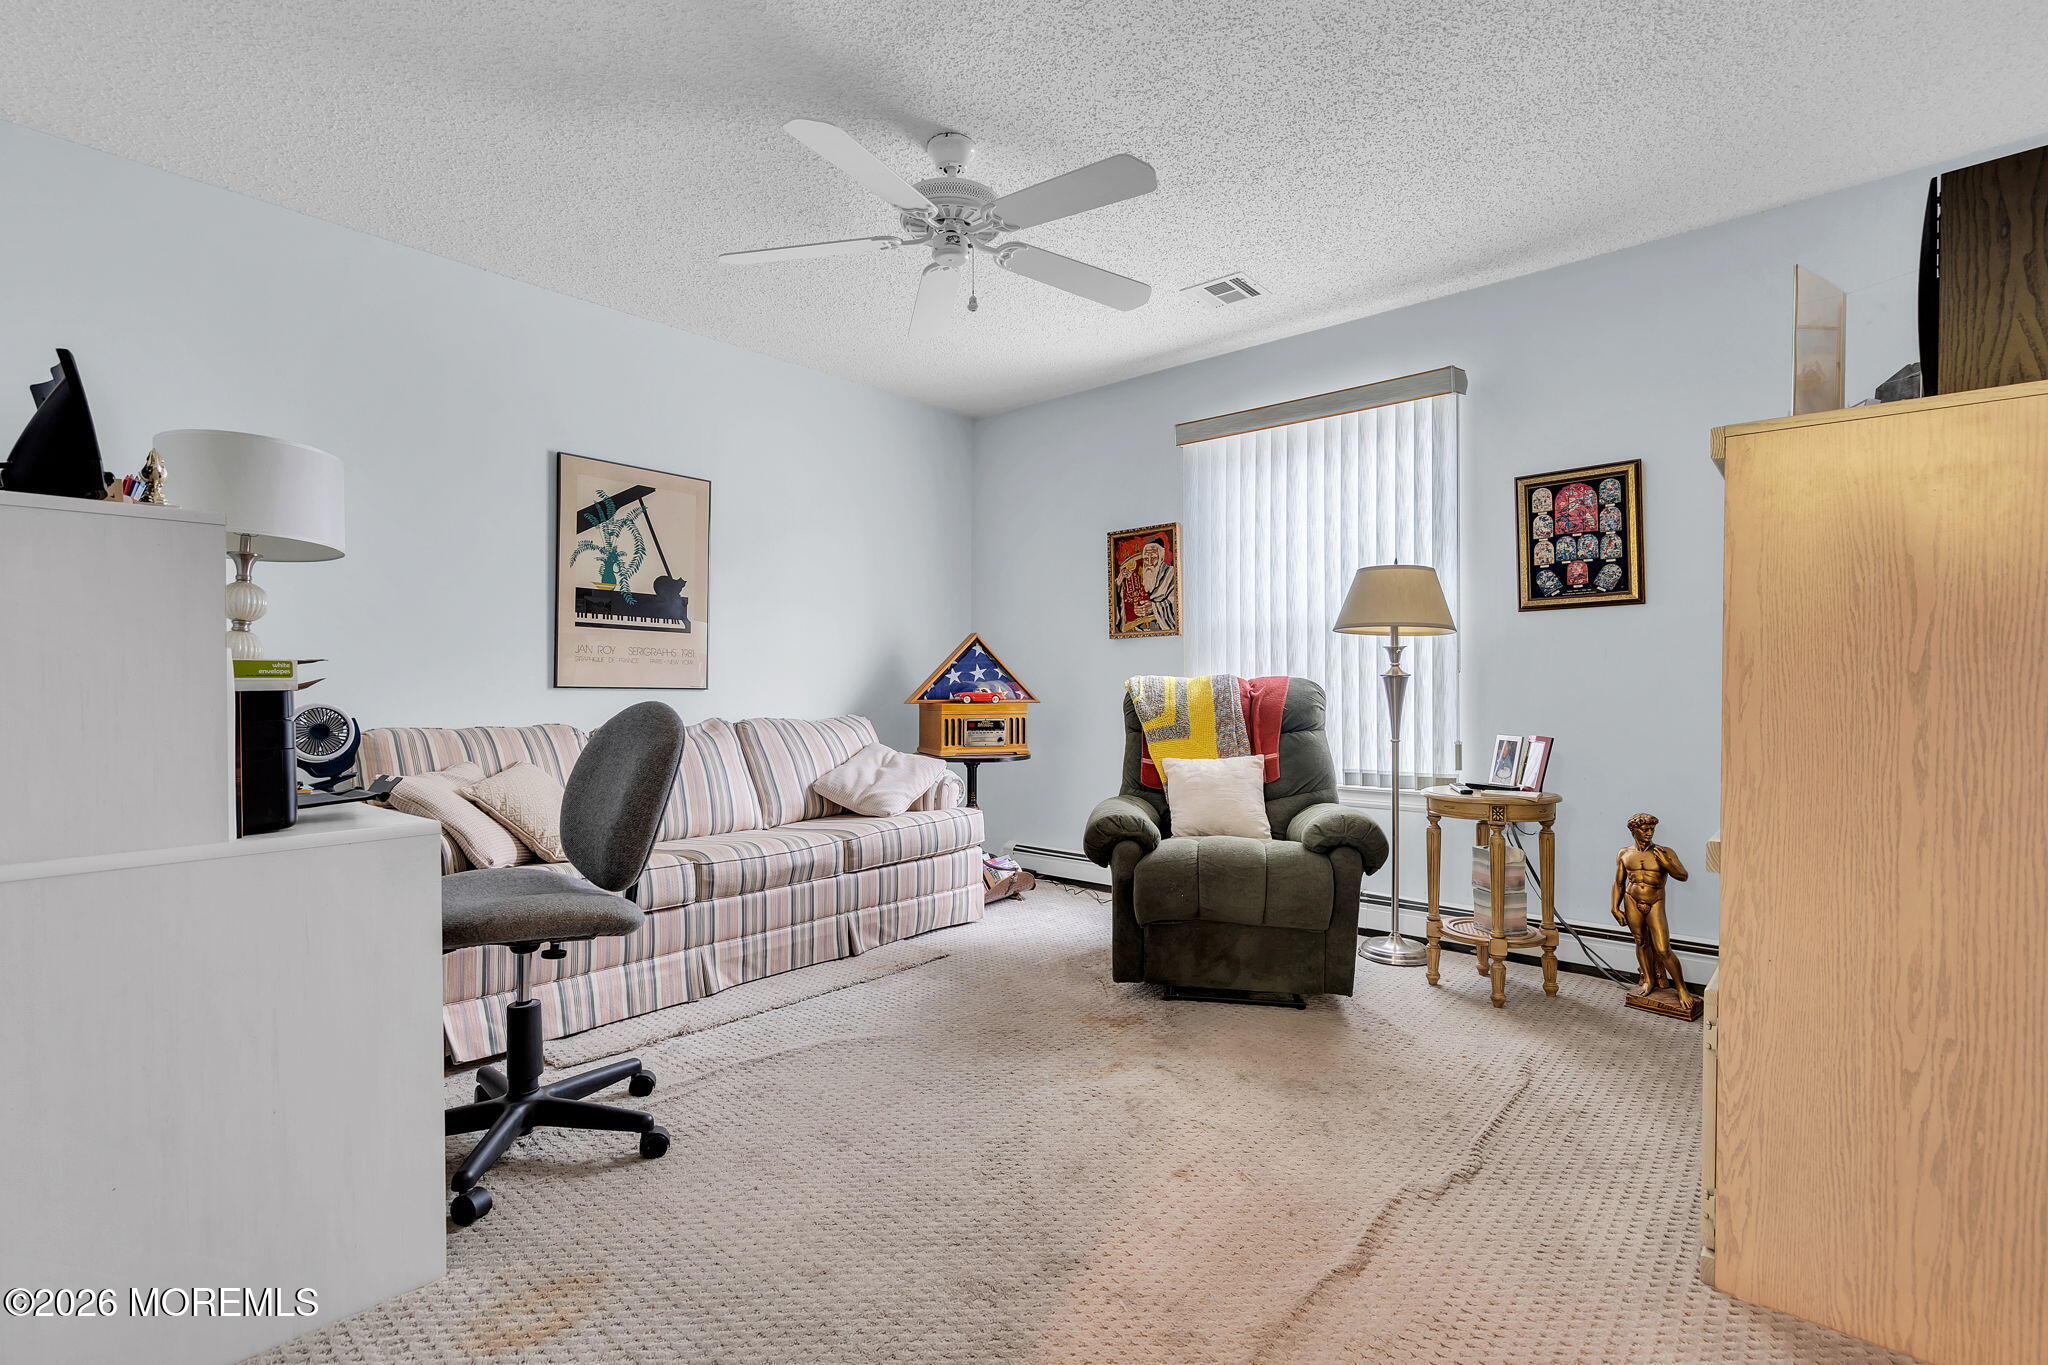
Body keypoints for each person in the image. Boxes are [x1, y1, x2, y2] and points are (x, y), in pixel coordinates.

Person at [1611, 813, 1691, 1008]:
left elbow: (1683, 876)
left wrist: (1666, 864)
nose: (1649, 833)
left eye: (1651, 830)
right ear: (1633, 831)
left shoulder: (1664, 852)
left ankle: (1681, 988)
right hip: (1632, 900)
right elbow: (1619, 883)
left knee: (1663, 948)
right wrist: (1615, 907)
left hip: (1655, 901)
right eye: (1645, 830)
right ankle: (1648, 980)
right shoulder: (1624, 853)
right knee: (1641, 942)